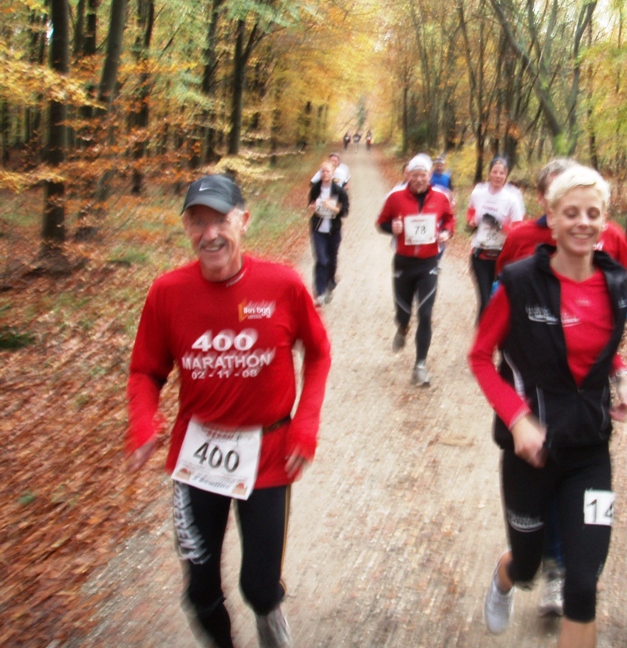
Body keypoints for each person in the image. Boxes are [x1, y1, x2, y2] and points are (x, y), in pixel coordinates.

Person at [126, 174, 332, 648]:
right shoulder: (167, 293)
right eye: (197, 222)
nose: (210, 233)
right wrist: (142, 422)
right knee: (200, 594)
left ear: (244, 220)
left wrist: (306, 424)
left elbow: (318, 352)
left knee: (259, 588)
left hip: (268, 453)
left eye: (220, 219)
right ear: (186, 228)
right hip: (197, 457)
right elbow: (145, 371)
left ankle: (268, 615)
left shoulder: (281, 285)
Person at [469, 165, 627, 647]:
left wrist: (620, 378)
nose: (583, 223)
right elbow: (480, 356)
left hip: (590, 451)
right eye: (571, 213)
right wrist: (518, 420)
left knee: (583, 585)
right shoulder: (520, 281)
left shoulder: (617, 284)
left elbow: (601, 344)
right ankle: (505, 577)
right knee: (527, 564)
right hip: (530, 453)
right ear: (552, 219)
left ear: (605, 222)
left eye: (593, 214)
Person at [376, 153, 455, 387]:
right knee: (403, 312)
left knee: (426, 313)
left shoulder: (441, 197)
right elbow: (381, 222)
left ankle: (420, 366)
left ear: (430, 175)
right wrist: (393, 227)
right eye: (415, 175)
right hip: (403, 262)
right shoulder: (395, 197)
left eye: (424, 175)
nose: (419, 179)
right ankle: (402, 326)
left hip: (428, 263)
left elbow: (450, 220)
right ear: (408, 175)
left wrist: (446, 233)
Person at [466, 156, 525, 319]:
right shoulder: (478, 193)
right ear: (489, 173)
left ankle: (493, 336)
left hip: (502, 255)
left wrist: (500, 226)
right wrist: (471, 221)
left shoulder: (512, 199)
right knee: (485, 300)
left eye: (502, 173)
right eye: (495, 172)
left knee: (497, 300)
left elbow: (518, 229)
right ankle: (482, 341)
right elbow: (470, 212)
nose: (498, 176)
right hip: (480, 253)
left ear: (506, 175)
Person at [308, 161, 350, 305]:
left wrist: (331, 207)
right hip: (318, 230)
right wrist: (312, 206)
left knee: (331, 260)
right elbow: (310, 204)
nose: (325, 174)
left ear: (333, 174)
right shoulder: (315, 189)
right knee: (321, 260)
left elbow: (344, 212)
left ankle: (330, 283)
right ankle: (319, 292)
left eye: (328, 172)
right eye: (323, 171)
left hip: (333, 231)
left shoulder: (339, 192)